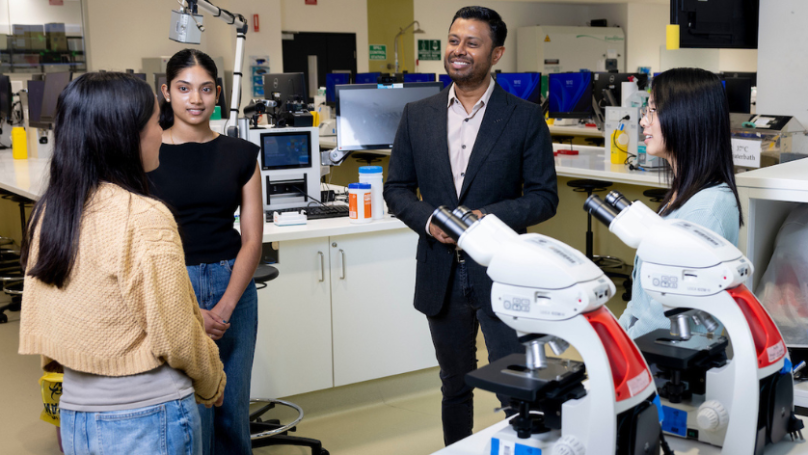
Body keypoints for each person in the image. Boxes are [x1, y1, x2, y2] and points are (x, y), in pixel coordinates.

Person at [18, 72, 226, 455]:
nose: (160, 133)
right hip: (148, 418)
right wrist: (213, 381)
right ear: (125, 135)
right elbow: (178, 337)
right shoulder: (143, 216)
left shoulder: (52, 211)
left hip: (78, 414)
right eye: (153, 122)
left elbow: (58, 314)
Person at [383, 6, 558, 446]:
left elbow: (544, 196)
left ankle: (524, 446)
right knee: (454, 385)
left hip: (499, 271)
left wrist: (488, 218)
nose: (459, 51)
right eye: (454, 40)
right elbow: (397, 188)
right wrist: (428, 222)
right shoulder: (416, 115)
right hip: (441, 271)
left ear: (496, 53)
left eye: (472, 43)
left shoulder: (523, 117)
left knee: (515, 382)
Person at [148, 48, 263, 455]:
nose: (195, 99)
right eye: (183, 88)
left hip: (234, 284)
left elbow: (252, 239)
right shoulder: (145, 154)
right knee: (190, 415)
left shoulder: (241, 153)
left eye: (205, 89)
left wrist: (228, 305)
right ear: (166, 92)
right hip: (174, 286)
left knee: (232, 410)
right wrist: (191, 310)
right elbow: (142, 242)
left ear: (218, 94)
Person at [620, 67, 743, 338]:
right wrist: (618, 333)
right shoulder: (685, 193)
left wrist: (619, 348)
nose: (643, 122)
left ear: (686, 118)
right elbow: (643, 300)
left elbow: (664, 316)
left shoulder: (705, 210)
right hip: (650, 347)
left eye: (653, 111)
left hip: (669, 356)